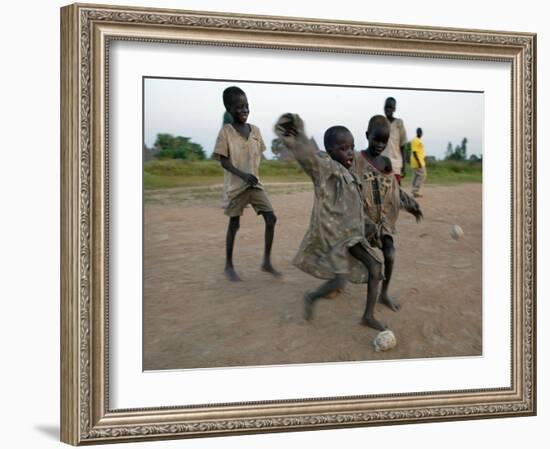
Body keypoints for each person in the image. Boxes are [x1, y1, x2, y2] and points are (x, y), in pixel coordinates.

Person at [274, 113, 387, 330]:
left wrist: (370, 226)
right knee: (339, 280)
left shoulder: (350, 173)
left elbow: (354, 206)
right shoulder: (326, 169)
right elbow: (309, 157)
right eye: (344, 148)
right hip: (335, 237)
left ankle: (368, 316)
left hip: (353, 234)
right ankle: (312, 297)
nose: (350, 153)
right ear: (330, 151)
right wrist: (296, 136)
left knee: (375, 267)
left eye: (352, 147)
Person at [352, 115, 423, 312]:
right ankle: (335, 281)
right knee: (346, 254)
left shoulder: (385, 163)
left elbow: (394, 190)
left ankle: (384, 293)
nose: (380, 145)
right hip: (361, 221)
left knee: (390, 254)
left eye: (384, 141)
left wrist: (411, 205)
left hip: (381, 222)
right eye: (376, 139)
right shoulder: (356, 160)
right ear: (367, 135)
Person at [213, 86, 280, 281]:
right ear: (228, 108)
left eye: (247, 106)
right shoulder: (226, 132)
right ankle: (229, 265)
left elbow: (259, 153)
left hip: (255, 185)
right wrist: (243, 174)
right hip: (237, 187)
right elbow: (224, 161)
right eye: (239, 107)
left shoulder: (256, 130)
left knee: (271, 219)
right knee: (234, 224)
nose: (244, 110)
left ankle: (266, 262)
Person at [381, 97, 407, 185]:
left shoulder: (399, 123)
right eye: (386, 107)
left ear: (394, 109)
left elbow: (402, 146)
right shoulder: (380, 122)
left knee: (396, 193)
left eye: (390, 107)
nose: (388, 109)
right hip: (382, 163)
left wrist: (404, 165)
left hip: (396, 164)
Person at [410, 127, 427, 197]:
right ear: (417, 132)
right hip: (417, 161)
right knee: (422, 175)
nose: (420, 133)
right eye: (419, 132)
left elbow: (420, 151)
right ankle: (415, 190)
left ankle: (414, 191)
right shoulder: (415, 140)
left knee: (416, 176)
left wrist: (423, 159)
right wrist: (419, 162)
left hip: (419, 161)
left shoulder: (418, 140)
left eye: (421, 132)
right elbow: (414, 152)